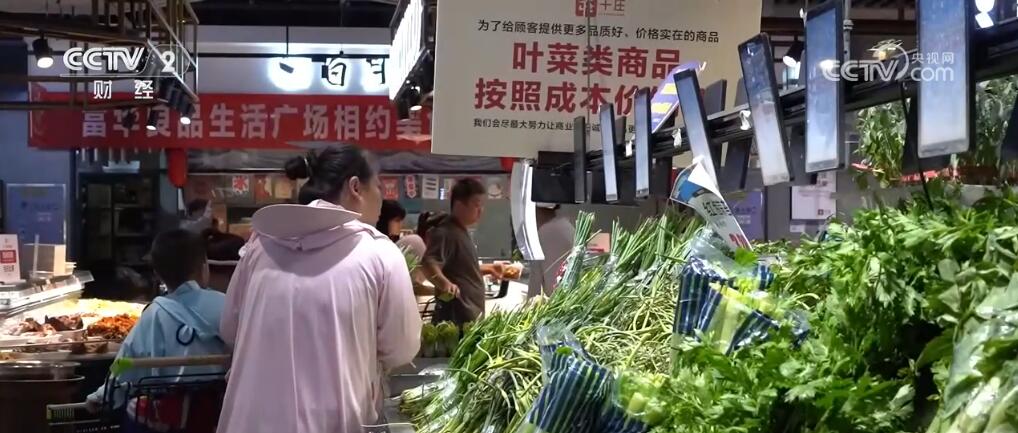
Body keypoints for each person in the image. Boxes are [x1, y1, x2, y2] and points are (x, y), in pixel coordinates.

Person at [217, 146, 421, 433]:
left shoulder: (260, 246)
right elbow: (401, 348)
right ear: (355, 187)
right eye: (378, 186)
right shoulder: (381, 254)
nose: (381, 198)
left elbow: (229, 329)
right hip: (336, 422)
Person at [86, 229, 227, 431]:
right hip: (217, 416)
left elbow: (122, 364)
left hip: (166, 420)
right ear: (203, 267)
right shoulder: (226, 305)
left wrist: (102, 396)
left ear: (157, 274)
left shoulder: (152, 314)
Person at [422, 178, 502, 325]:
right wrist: (444, 284)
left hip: (469, 316)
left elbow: (460, 270)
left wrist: (489, 268)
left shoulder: (460, 231)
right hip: (457, 318)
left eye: (482, 206)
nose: (481, 211)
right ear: (459, 205)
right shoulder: (446, 232)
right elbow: (428, 263)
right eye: (476, 205)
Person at [527, 204, 576, 298]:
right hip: (569, 298)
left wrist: (528, 304)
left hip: (556, 300)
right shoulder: (567, 226)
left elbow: (535, 284)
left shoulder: (546, 232)